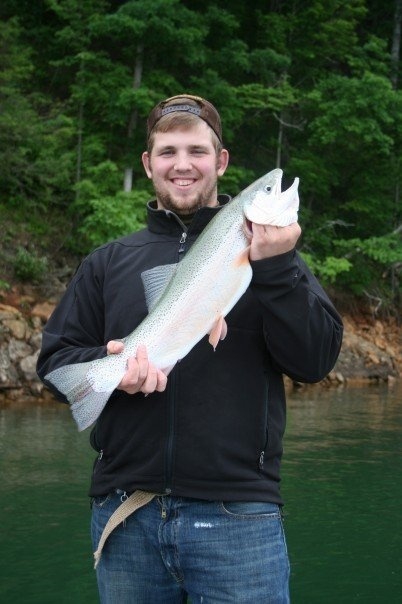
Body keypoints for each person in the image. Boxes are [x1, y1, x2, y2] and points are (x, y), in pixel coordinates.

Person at [37, 94, 343, 604]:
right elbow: (55, 365)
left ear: (220, 161)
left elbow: (315, 362)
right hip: (126, 513)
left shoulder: (275, 259)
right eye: (168, 151)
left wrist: (276, 268)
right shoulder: (107, 262)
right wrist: (111, 374)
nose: (183, 165)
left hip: (240, 519)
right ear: (148, 163)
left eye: (198, 151)